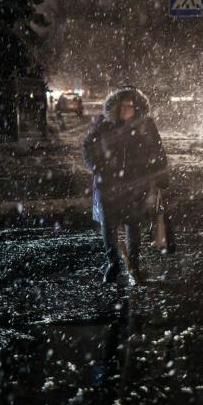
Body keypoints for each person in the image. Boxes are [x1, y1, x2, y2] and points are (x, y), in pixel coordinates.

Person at [83, 86, 169, 284]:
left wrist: (161, 176)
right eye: (123, 105)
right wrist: (97, 166)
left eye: (131, 105)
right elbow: (88, 146)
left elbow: (157, 150)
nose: (127, 109)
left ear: (137, 107)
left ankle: (134, 265)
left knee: (133, 225)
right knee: (109, 227)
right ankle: (113, 263)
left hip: (135, 185)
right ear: (116, 106)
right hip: (108, 186)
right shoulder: (104, 124)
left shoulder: (145, 126)